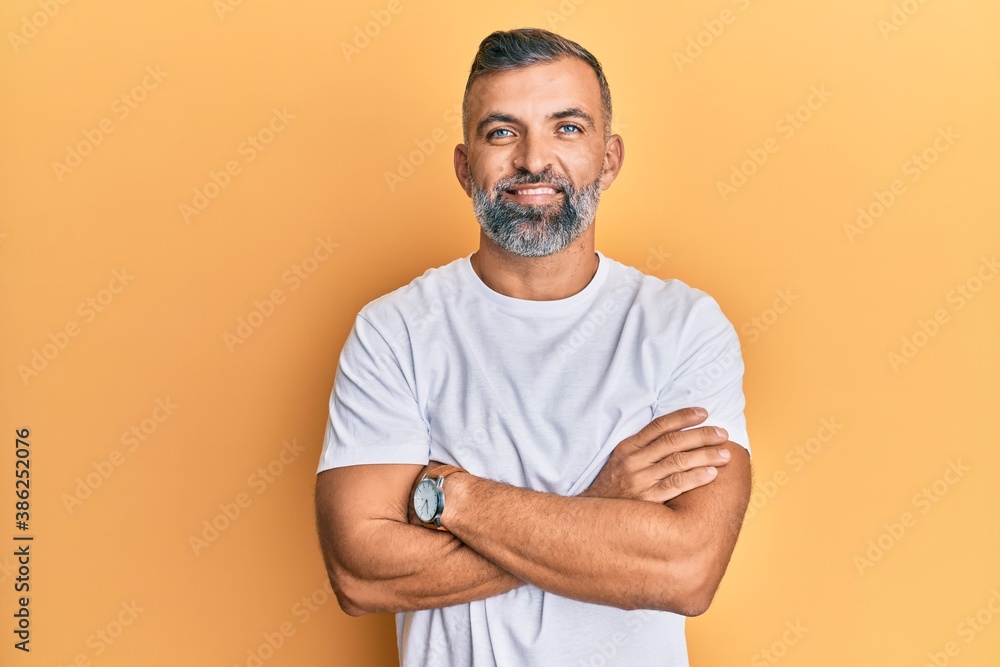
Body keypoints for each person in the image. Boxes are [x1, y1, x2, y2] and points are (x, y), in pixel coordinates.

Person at [314, 27, 752, 667]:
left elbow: (686, 571)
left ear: (609, 158)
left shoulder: (682, 326)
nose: (533, 160)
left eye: (567, 128)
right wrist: (599, 507)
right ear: (465, 167)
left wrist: (454, 497)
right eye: (501, 132)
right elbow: (361, 576)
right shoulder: (395, 330)